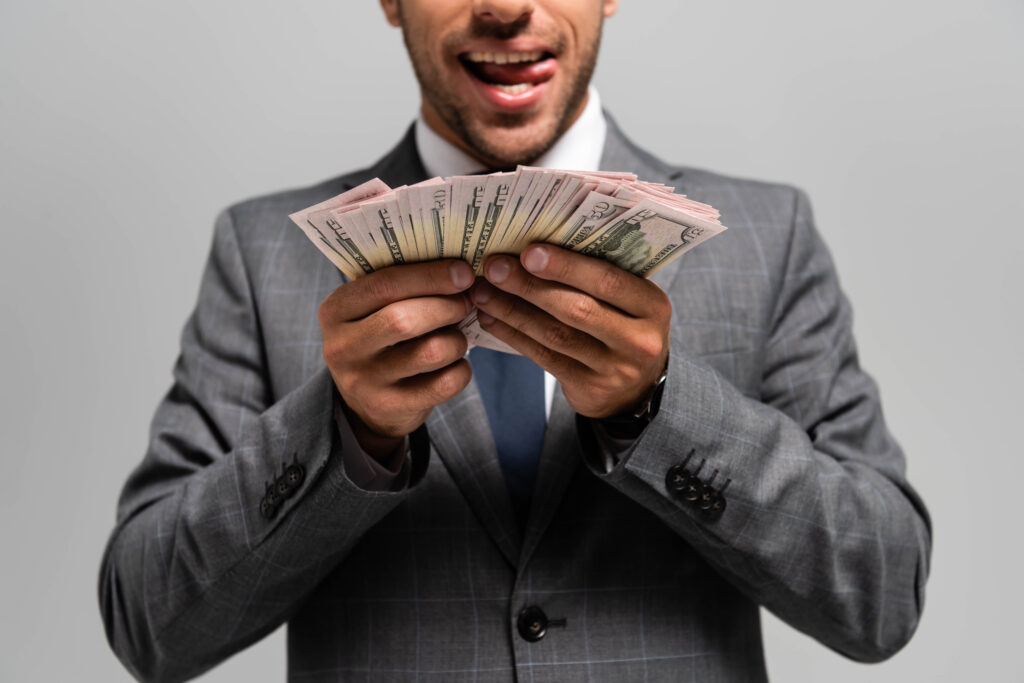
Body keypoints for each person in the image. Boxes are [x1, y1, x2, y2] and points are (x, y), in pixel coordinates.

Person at [98, 1, 932, 681]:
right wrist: (345, 430)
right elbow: (148, 625)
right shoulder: (263, 253)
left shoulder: (767, 236)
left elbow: (882, 595)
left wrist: (659, 409)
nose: (505, 7)